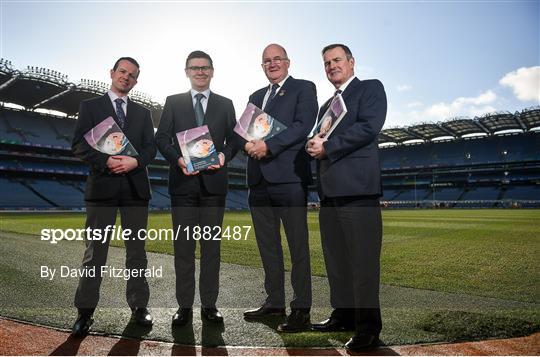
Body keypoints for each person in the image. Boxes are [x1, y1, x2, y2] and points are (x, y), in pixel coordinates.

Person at [306, 44, 387, 351]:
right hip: (328, 193)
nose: (331, 66)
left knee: (363, 263)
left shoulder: (369, 89)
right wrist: (311, 145)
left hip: (358, 190)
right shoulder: (327, 104)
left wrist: (328, 147)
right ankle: (343, 315)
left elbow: (369, 127)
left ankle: (368, 327)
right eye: (326, 63)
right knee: (336, 261)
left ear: (351, 62)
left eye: (337, 60)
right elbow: (319, 139)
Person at [71, 57, 156, 336]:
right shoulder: (90, 107)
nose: (126, 77)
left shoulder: (143, 114)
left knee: (136, 253)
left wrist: (136, 162)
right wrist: (105, 162)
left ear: (136, 80)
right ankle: (85, 312)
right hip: (102, 188)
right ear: (112, 73)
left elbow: (149, 149)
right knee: (95, 253)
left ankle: (139, 306)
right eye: (122, 72)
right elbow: (78, 146)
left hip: (135, 189)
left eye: (132, 75)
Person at [155, 50, 238, 326]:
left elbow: (234, 140)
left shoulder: (226, 104)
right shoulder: (173, 102)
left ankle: (210, 305)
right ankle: (185, 307)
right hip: (183, 186)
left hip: (214, 188)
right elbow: (162, 139)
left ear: (212, 71)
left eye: (205, 68)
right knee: (184, 249)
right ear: (186, 72)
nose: (200, 72)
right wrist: (178, 159)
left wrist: (225, 156)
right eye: (194, 68)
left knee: (212, 249)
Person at [241, 44, 318, 332]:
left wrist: (268, 145)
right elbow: (242, 131)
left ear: (287, 62)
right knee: (268, 246)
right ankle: (274, 302)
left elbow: (303, 125)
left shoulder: (303, 87)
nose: (272, 64)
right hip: (258, 181)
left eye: (277, 59)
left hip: (289, 179)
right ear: (262, 66)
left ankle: (301, 308)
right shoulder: (255, 96)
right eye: (266, 61)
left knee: (298, 246)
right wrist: (247, 143)